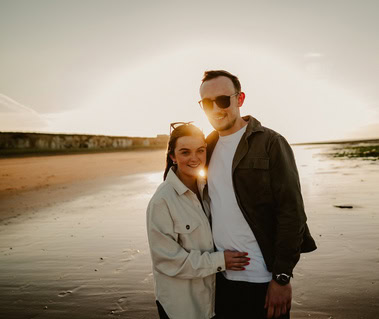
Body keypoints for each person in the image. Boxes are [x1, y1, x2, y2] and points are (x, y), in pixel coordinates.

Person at [198, 70, 317, 319]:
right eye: (207, 103)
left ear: (239, 99)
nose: (215, 109)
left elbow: (292, 212)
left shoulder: (271, 143)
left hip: (263, 280)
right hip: (221, 278)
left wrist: (281, 278)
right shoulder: (206, 147)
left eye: (222, 100)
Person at [146, 122, 250, 319]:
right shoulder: (162, 202)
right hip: (182, 306)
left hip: (211, 301)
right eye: (185, 152)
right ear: (173, 157)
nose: (194, 158)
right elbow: (168, 261)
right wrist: (221, 261)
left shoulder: (208, 190)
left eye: (200, 151)